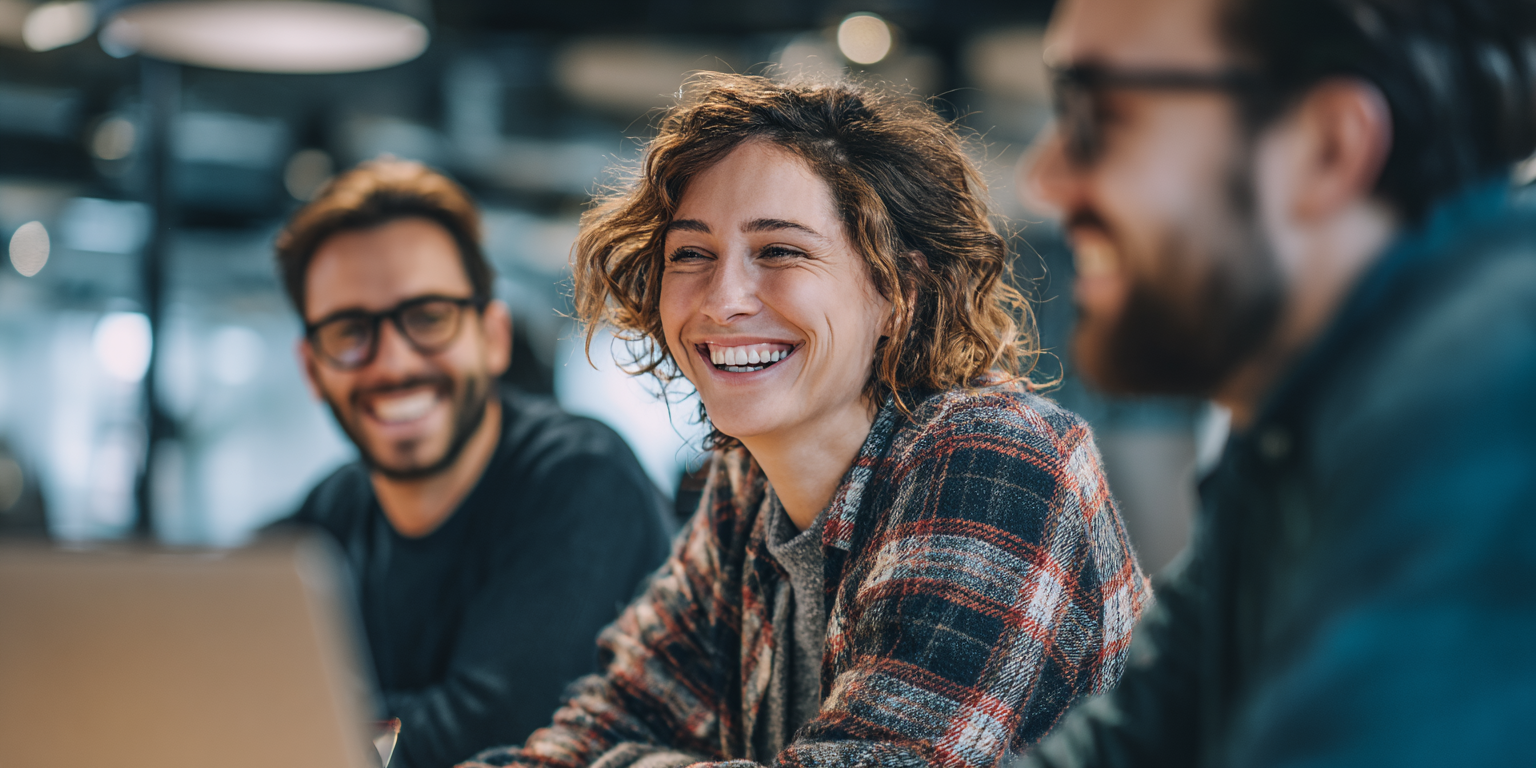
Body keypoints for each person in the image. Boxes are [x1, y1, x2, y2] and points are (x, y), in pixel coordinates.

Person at [461, 74, 1150, 768]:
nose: (723, 299)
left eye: (781, 251)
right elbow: (609, 722)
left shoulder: (997, 459)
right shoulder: (747, 491)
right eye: (690, 255)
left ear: (897, 291)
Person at [1011, 0, 1536, 766]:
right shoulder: (1301, 420)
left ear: (1327, 148)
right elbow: (1137, 744)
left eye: (1095, 117)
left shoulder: (1490, 410)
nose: (1043, 181)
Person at [273, 159, 674, 768]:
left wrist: (313, 727)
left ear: (492, 336)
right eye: (350, 330)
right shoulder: (336, 507)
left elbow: (492, 737)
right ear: (311, 368)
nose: (392, 363)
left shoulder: (578, 476)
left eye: (428, 318)